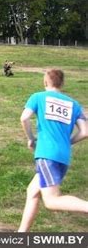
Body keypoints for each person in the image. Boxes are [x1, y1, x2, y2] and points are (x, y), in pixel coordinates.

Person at [18, 69, 87, 232]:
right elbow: (85, 132)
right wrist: (68, 142)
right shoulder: (73, 104)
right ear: (62, 84)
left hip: (46, 154)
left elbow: (24, 118)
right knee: (33, 191)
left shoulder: (38, 97)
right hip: (63, 156)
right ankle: (21, 235)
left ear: (45, 82)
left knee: (51, 201)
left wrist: (30, 138)